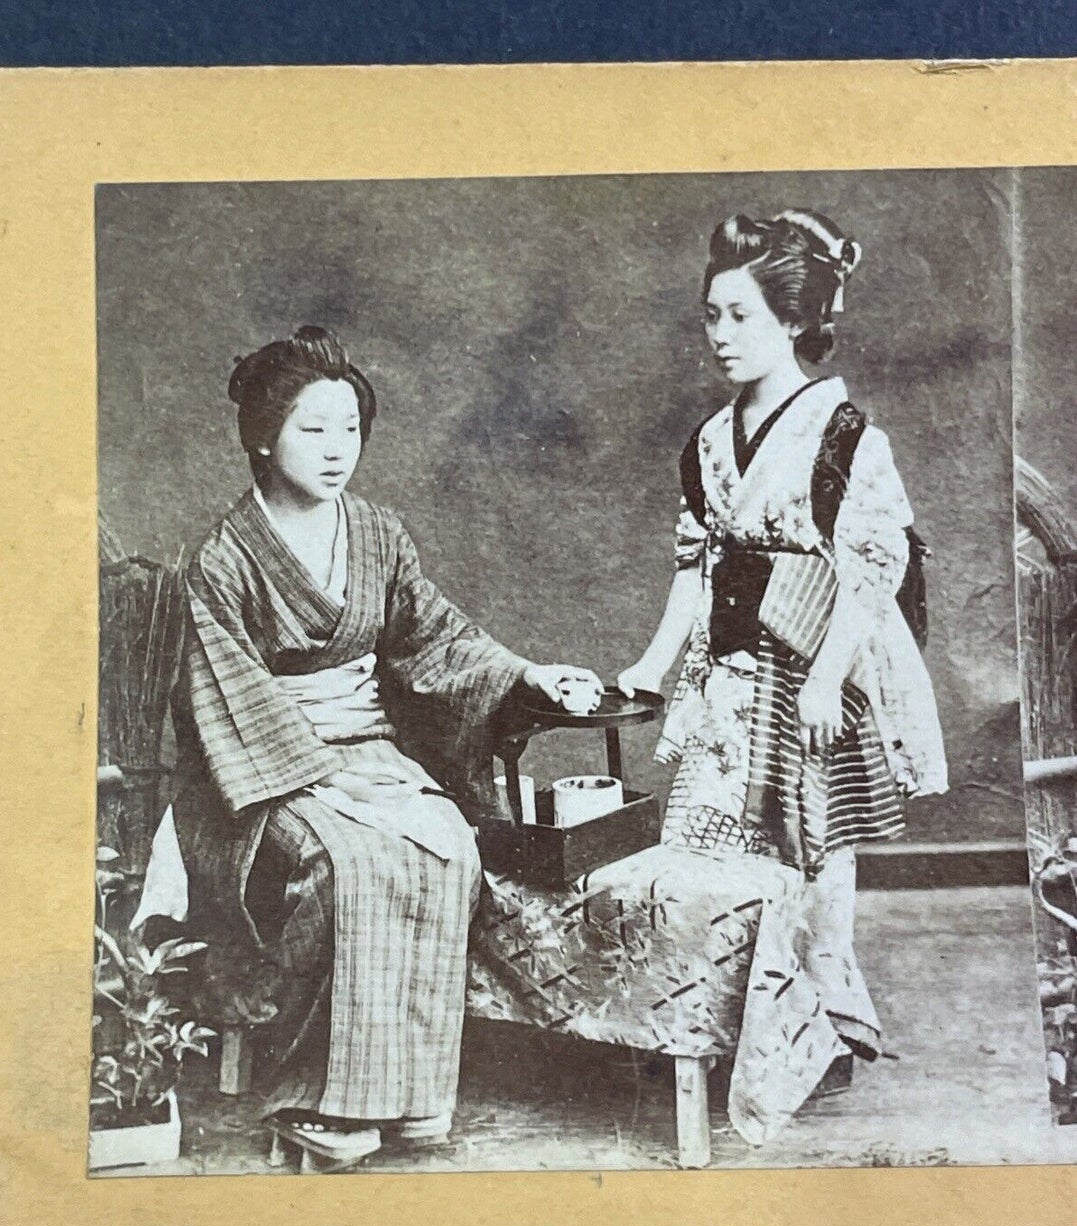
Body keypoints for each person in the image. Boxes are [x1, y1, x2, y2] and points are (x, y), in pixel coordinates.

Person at [167, 325, 601, 1170]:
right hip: (268, 775)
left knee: (444, 847)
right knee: (350, 861)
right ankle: (327, 1097)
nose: (336, 452)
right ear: (261, 433)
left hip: (368, 750)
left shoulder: (378, 534)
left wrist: (528, 674)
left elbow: (436, 636)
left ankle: (412, 1097)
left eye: (350, 430)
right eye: (311, 429)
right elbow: (227, 698)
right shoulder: (221, 561)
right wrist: (321, 780)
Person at [617, 211, 947, 1137]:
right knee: (708, 843)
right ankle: (708, 1028)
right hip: (729, 673)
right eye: (710, 318)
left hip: (810, 666)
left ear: (795, 322)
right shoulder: (709, 442)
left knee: (805, 854)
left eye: (740, 317)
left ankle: (820, 1033)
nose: (720, 337)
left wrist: (824, 677)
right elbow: (696, 570)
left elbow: (872, 570)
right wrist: (648, 669)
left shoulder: (842, 434)